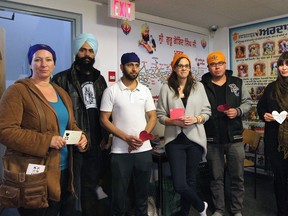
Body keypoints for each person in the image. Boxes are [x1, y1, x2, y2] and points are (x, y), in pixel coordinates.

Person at [0, 44, 88, 216]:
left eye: (48, 60)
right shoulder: (17, 91)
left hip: (63, 171)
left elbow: (70, 124)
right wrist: (47, 140)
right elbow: (5, 131)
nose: (43, 64)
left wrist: (81, 137)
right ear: (30, 64)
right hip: (34, 174)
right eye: (37, 59)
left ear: (54, 64)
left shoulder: (61, 93)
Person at [52, 33, 108, 216]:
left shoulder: (100, 80)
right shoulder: (61, 80)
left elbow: (105, 111)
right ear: (76, 52)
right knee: (71, 189)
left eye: (91, 51)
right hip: (72, 145)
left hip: (95, 144)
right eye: (83, 50)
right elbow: (56, 114)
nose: (87, 54)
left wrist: (105, 137)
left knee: (90, 187)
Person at [100, 52, 157, 216]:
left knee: (142, 196)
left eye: (137, 65)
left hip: (143, 150)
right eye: (130, 65)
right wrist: (126, 138)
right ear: (122, 67)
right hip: (120, 152)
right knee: (118, 198)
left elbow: (152, 116)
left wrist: (143, 136)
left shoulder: (145, 90)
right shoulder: (111, 91)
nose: (134, 68)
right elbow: (104, 119)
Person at [156, 53, 211, 216]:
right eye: (180, 65)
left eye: (187, 66)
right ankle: (201, 206)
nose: (184, 68)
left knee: (191, 181)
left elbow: (207, 111)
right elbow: (160, 115)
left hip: (195, 139)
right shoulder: (166, 88)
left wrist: (196, 118)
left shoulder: (198, 87)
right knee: (179, 184)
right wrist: (175, 122)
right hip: (174, 141)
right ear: (174, 68)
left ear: (190, 68)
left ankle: (184, 213)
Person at [201, 51, 252, 216]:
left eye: (220, 63)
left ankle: (237, 210)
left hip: (235, 138)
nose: (217, 67)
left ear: (225, 65)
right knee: (216, 178)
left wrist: (237, 111)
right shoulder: (202, 85)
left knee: (237, 177)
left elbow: (248, 103)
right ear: (208, 67)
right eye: (213, 64)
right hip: (212, 138)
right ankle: (220, 209)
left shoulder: (237, 82)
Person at [257, 51, 288, 216]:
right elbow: (260, 107)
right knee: (280, 178)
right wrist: (264, 115)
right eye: (281, 65)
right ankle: (282, 211)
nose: (284, 68)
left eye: (287, 64)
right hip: (274, 141)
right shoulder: (271, 87)